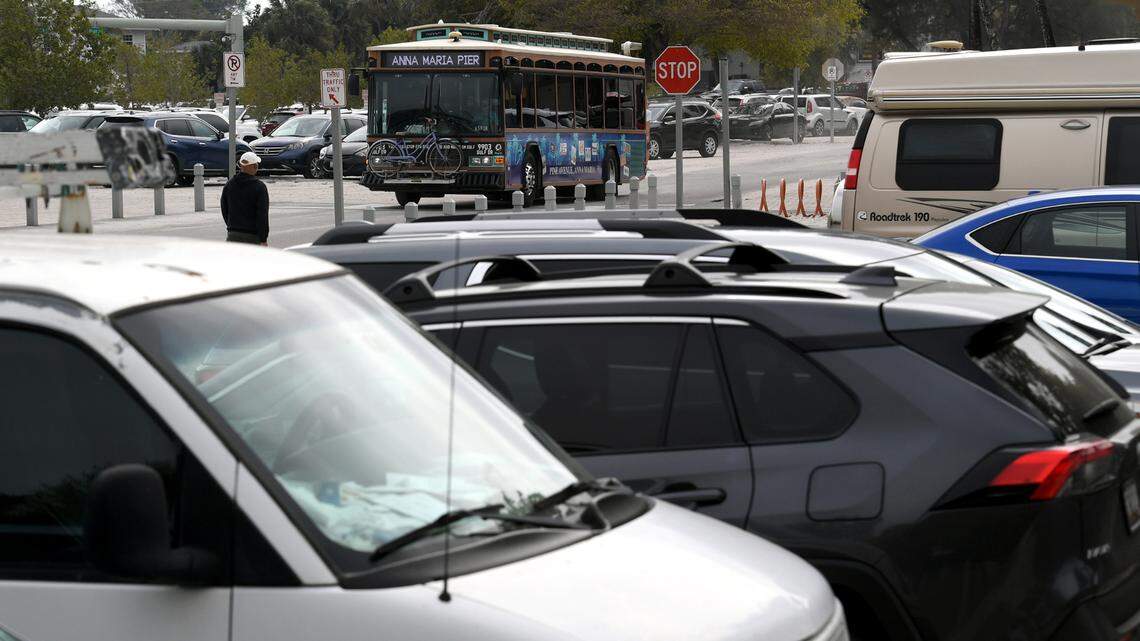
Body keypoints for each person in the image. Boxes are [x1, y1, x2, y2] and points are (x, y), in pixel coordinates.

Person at [221, 151, 269, 245]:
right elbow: (262, 215)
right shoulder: (259, 187)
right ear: (255, 166)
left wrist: (232, 226)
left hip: (232, 235)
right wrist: (263, 239)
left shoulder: (229, 184)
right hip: (252, 237)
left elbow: (224, 208)